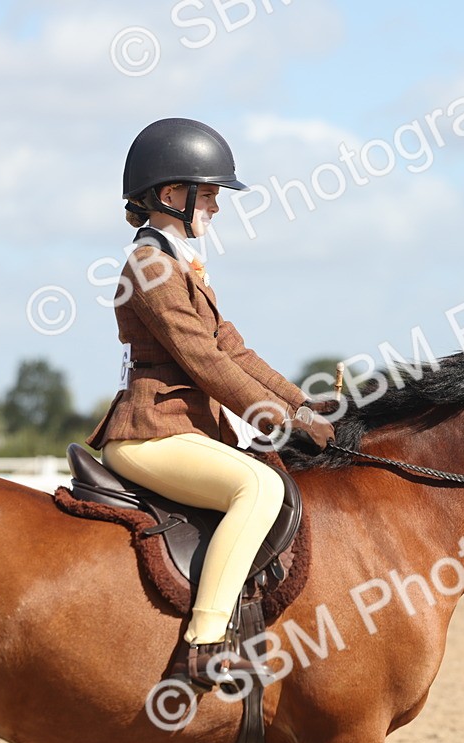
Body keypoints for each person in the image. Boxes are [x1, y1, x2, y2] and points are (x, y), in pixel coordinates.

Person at [86, 118, 335, 690]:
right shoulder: (149, 266)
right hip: (151, 431)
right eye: (211, 194)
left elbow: (233, 350)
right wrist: (282, 421)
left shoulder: (178, 263)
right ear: (172, 193)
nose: (218, 207)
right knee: (260, 488)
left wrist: (302, 404)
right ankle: (203, 646)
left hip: (182, 431)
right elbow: (203, 361)